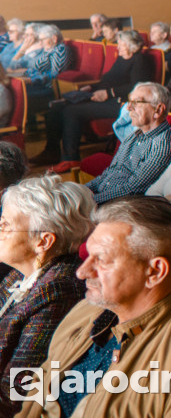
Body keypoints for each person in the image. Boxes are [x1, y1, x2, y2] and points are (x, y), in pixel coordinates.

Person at [15, 197, 171, 417]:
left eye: (101, 260)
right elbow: (41, 382)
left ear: (154, 272)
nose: (82, 272)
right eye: (88, 256)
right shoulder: (89, 308)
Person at [0, 176, 93, 417]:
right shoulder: (21, 273)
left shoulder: (58, 292)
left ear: (43, 241)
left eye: (6, 225)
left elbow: (14, 392)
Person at [33, 30, 154, 171]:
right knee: (56, 108)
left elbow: (137, 87)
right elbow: (108, 80)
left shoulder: (139, 60)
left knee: (71, 111)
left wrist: (108, 93)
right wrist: (92, 87)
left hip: (121, 104)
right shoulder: (122, 58)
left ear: (130, 45)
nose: (117, 47)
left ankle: (70, 159)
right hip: (106, 97)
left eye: (121, 44)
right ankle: (51, 152)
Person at [86, 82, 171, 204]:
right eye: (130, 102)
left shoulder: (163, 144)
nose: (129, 108)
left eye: (136, 102)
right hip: (103, 197)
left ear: (158, 110)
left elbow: (132, 190)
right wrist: (82, 191)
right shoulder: (135, 135)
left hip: (122, 206)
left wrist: (89, 202)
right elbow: (109, 173)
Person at [20, 24, 67, 107]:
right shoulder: (48, 49)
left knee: (19, 95)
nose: (40, 43)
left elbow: (55, 74)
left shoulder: (59, 50)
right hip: (37, 84)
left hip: (47, 87)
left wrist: (32, 80)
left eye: (42, 39)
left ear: (54, 39)